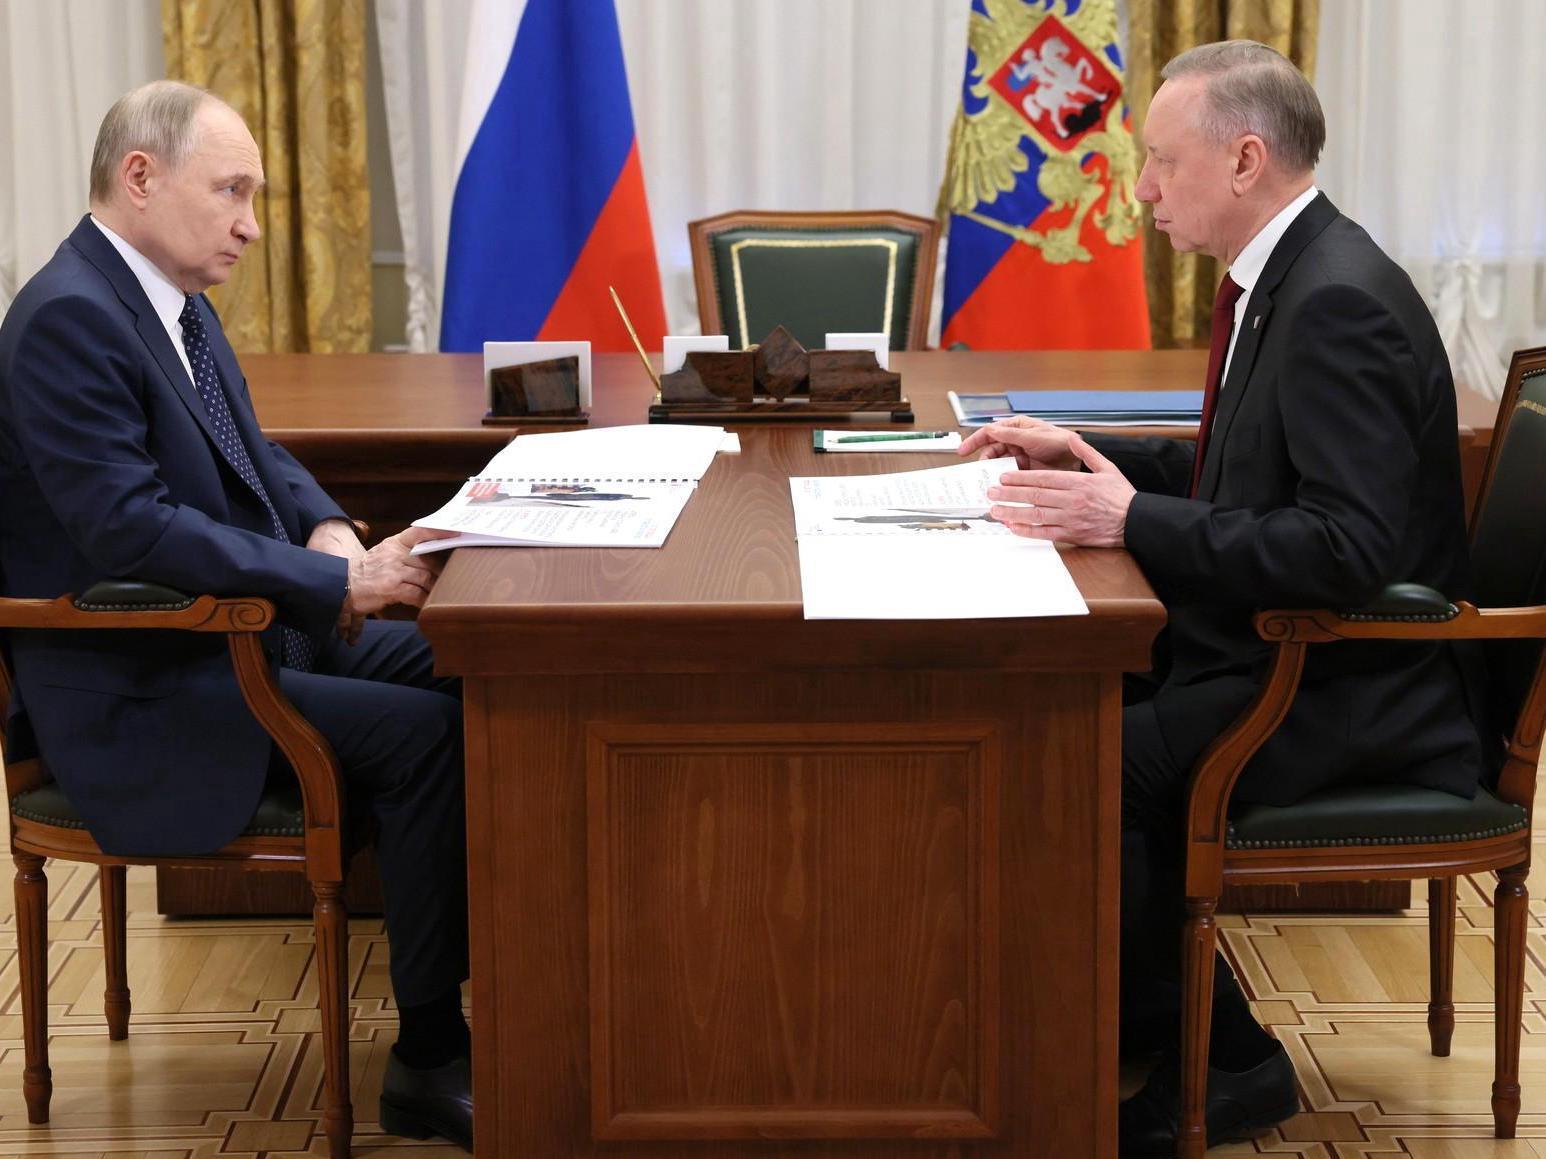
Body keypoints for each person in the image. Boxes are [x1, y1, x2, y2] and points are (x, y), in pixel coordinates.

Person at [959, 41, 1486, 1154]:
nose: (1143, 190)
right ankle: (1146, 1004)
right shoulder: (1290, 275)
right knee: (1050, 712)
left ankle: (1230, 1058)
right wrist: (1084, 454)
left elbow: (1342, 548)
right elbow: (1244, 476)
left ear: (1245, 160)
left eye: (1162, 161)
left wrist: (1126, 520)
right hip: (1278, 653)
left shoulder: (1335, 301)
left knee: (1075, 760)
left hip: (1345, 686)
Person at [0, 82, 473, 1151]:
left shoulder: (167, 301)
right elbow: (130, 528)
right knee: (430, 735)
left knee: (471, 664)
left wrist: (327, 530)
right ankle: (429, 1056)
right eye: (232, 191)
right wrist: (333, 586)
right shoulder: (69, 318)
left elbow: (252, 452)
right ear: (140, 177)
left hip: (231, 641)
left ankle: (507, 985)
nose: (251, 224)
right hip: (144, 686)